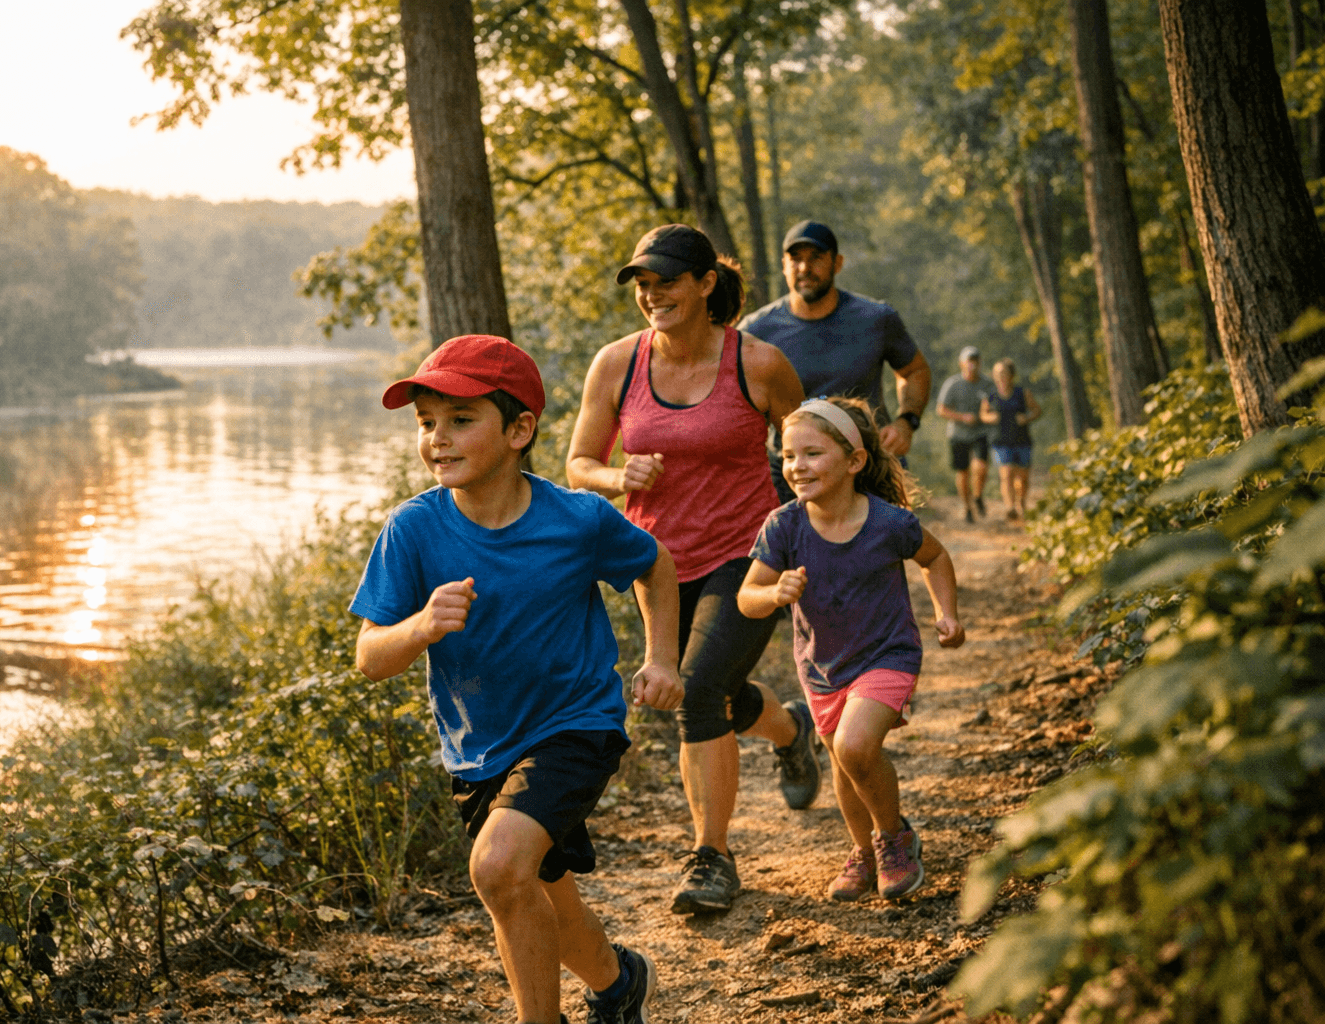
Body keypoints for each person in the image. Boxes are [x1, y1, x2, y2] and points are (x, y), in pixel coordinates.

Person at [351, 334, 685, 1024]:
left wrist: (661, 659)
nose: (437, 439)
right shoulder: (412, 530)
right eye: (426, 423)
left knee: (498, 867)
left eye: (460, 419)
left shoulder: (578, 519)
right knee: (540, 897)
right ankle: (620, 985)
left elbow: (654, 565)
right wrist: (419, 627)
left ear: (519, 429)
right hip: (480, 749)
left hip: (575, 725)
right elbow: (370, 657)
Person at [566, 223, 818, 917]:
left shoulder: (759, 365)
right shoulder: (616, 364)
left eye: (666, 282)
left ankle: (711, 856)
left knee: (701, 687)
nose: (651, 296)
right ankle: (792, 732)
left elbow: (809, 454)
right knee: (706, 692)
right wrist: (619, 476)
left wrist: (832, 542)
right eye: (642, 285)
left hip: (746, 553)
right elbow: (576, 463)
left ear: (707, 284)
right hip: (655, 565)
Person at [737, 396, 965, 902]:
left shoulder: (889, 523)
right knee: (843, 763)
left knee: (854, 747)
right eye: (789, 456)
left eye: (812, 454)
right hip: (822, 668)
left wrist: (946, 613)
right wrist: (773, 594)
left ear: (855, 460)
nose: (797, 466)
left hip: (888, 654)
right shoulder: (784, 526)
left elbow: (935, 557)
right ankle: (864, 850)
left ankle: (893, 837)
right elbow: (747, 596)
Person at [737, 220, 932, 503]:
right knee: (797, 549)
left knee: (883, 547)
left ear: (837, 263)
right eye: (796, 259)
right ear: (783, 265)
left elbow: (914, 370)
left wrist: (906, 422)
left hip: (867, 464)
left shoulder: (875, 319)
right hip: (791, 475)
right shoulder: (755, 332)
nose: (805, 268)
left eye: (816, 258)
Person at [978, 357, 1042, 521]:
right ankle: (1010, 507)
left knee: (1022, 477)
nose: (1000, 376)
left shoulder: (1022, 393)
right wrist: (991, 417)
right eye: (997, 373)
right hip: (1000, 441)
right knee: (1006, 474)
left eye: (1004, 373)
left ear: (1011, 375)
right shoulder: (990, 395)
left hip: (1022, 440)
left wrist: (1026, 418)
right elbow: (983, 414)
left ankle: (1021, 503)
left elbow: (1037, 411)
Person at [935, 346, 993, 523]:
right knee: (963, 472)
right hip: (958, 433)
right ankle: (967, 507)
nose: (972, 365)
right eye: (969, 361)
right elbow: (941, 410)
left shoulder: (987, 384)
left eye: (975, 361)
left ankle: (977, 496)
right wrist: (962, 417)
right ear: (962, 363)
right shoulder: (953, 383)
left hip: (980, 431)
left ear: (980, 363)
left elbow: (995, 405)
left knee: (981, 466)